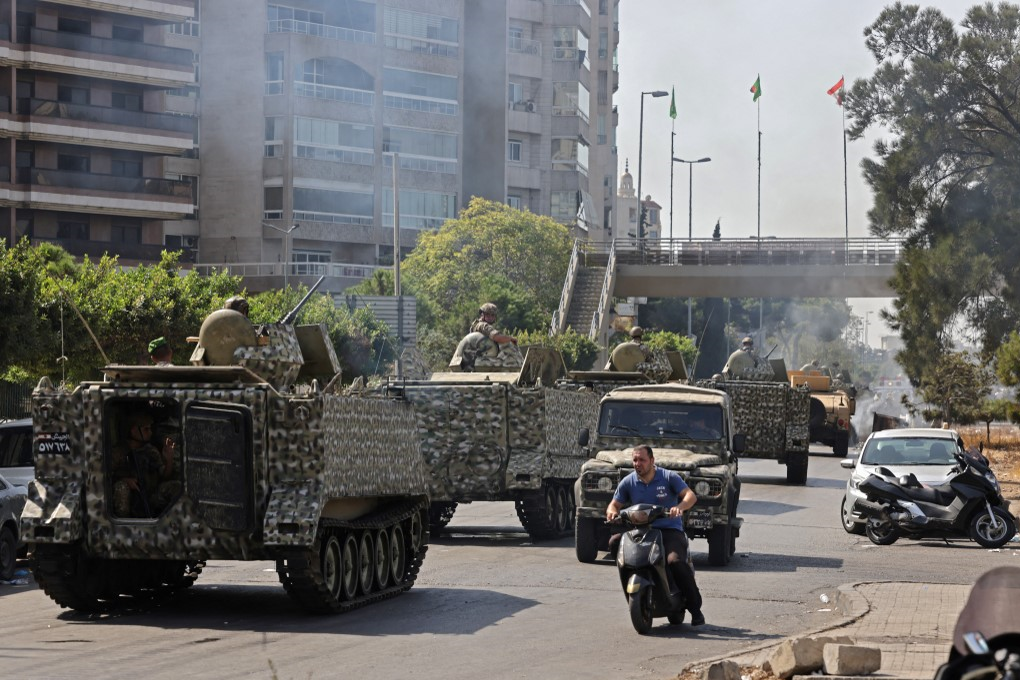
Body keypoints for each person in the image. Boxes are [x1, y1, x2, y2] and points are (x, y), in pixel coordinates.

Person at [606, 445, 705, 625]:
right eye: (635, 460)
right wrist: (612, 512)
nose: (638, 464)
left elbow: (690, 496)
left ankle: (695, 608)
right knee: (614, 543)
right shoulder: (628, 481)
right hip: (641, 529)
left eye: (642, 460)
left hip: (669, 530)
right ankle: (634, 575)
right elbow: (614, 504)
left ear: (652, 461)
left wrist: (679, 508)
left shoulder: (668, 477)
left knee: (675, 561)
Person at [111, 411, 180, 518]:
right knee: (121, 487)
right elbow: (104, 478)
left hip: (150, 495)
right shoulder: (119, 452)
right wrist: (125, 480)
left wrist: (169, 460)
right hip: (130, 498)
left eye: (150, 429)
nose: (150, 433)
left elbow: (164, 475)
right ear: (134, 431)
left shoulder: (150, 451)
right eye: (146, 429)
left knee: (176, 486)